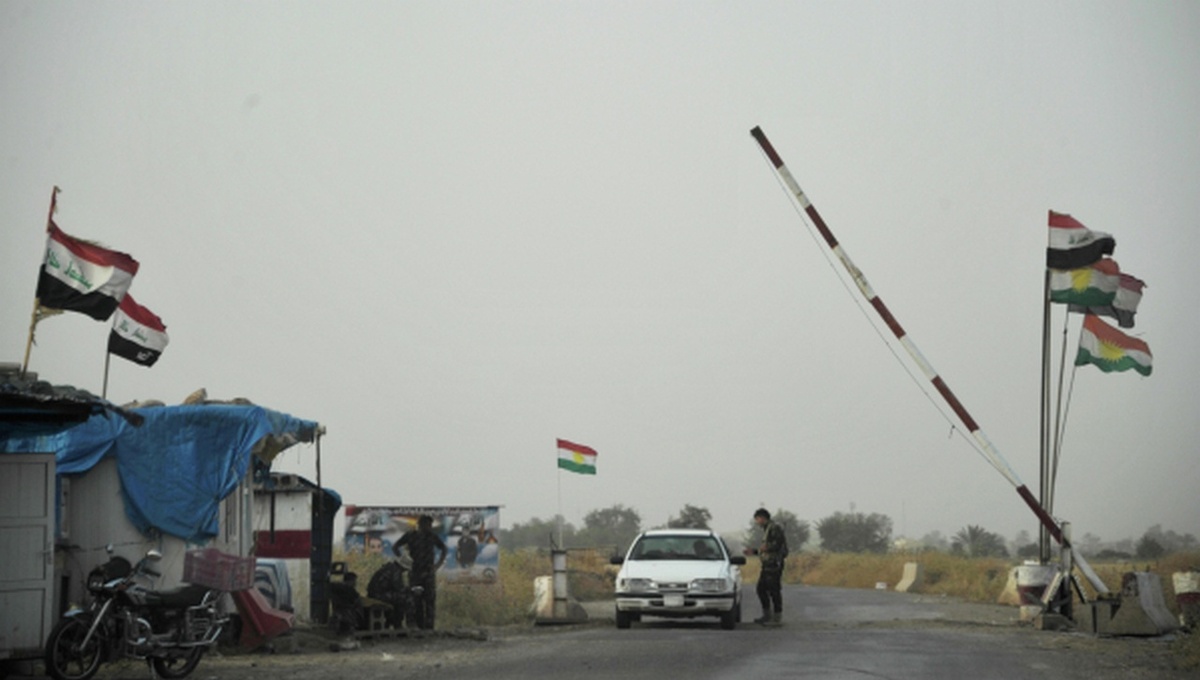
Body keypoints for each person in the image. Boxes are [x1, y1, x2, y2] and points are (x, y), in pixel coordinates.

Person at [394, 514, 447, 629]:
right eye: (427, 525)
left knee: (430, 601)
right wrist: (404, 561)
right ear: (420, 525)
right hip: (415, 573)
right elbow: (396, 547)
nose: (429, 527)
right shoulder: (410, 536)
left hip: (428, 573)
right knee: (415, 600)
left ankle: (429, 628)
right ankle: (418, 627)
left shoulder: (432, 536)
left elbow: (443, 548)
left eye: (430, 525)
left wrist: (437, 565)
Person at [744, 507, 788, 625]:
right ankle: (767, 615)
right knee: (761, 589)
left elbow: (777, 545)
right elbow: (765, 550)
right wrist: (753, 552)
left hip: (774, 564)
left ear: (762, 518)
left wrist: (766, 548)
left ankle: (777, 617)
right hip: (767, 563)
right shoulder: (768, 529)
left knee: (774, 590)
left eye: (757, 519)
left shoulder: (774, 528)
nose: (756, 522)